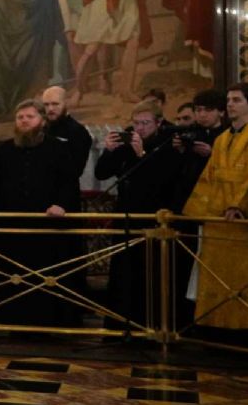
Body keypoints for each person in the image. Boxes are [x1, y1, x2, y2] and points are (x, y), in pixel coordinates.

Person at [0, 99, 83, 326]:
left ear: (42, 121)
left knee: (47, 277)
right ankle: (16, 323)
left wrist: (61, 205)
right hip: (13, 229)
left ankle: (49, 324)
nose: (24, 121)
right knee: (16, 277)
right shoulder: (4, 149)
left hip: (47, 228)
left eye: (30, 117)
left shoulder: (58, 148)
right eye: (20, 117)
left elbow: (69, 183)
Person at [96, 101, 182, 330]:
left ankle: (150, 327)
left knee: (148, 275)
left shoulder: (168, 146)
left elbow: (161, 182)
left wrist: (141, 154)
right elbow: (101, 173)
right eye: (136, 123)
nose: (140, 128)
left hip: (152, 219)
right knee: (123, 273)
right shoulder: (127, 143)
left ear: (158, 123)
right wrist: (109, 151)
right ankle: (119, 327)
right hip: (125, 216)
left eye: (145, 123)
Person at [182, 83, 248, 332]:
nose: (230, 104)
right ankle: (218, 329)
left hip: (240, 222)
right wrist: (198, 212)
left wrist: (238, 205)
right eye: (229, 100)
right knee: (217, 278)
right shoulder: (221, 140)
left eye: (237, 100)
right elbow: (208, 179)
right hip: (217, 222)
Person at [41, 84, 93, 182]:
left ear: (66, 103)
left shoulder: (78, 131)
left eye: (55, 104)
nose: (50, 109)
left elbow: (75, 170)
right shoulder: (40, 129)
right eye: (46, 105)